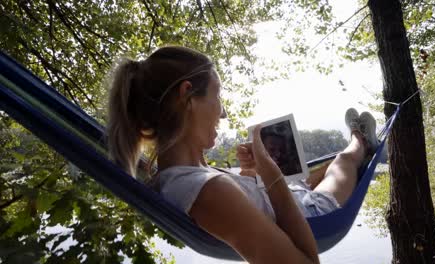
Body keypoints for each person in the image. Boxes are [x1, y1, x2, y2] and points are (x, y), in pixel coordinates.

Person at [106, 46, 378, 264]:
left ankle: (355, 141)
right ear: (187, 95)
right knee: (343, 162)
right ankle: (361, 140)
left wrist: (256, 173)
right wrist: (270, 173)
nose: (222, 112)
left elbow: (252, 203)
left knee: (316, 173)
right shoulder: (207, 191)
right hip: (313, 212)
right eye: (218, 96)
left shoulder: (185, 176)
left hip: (294, 197)